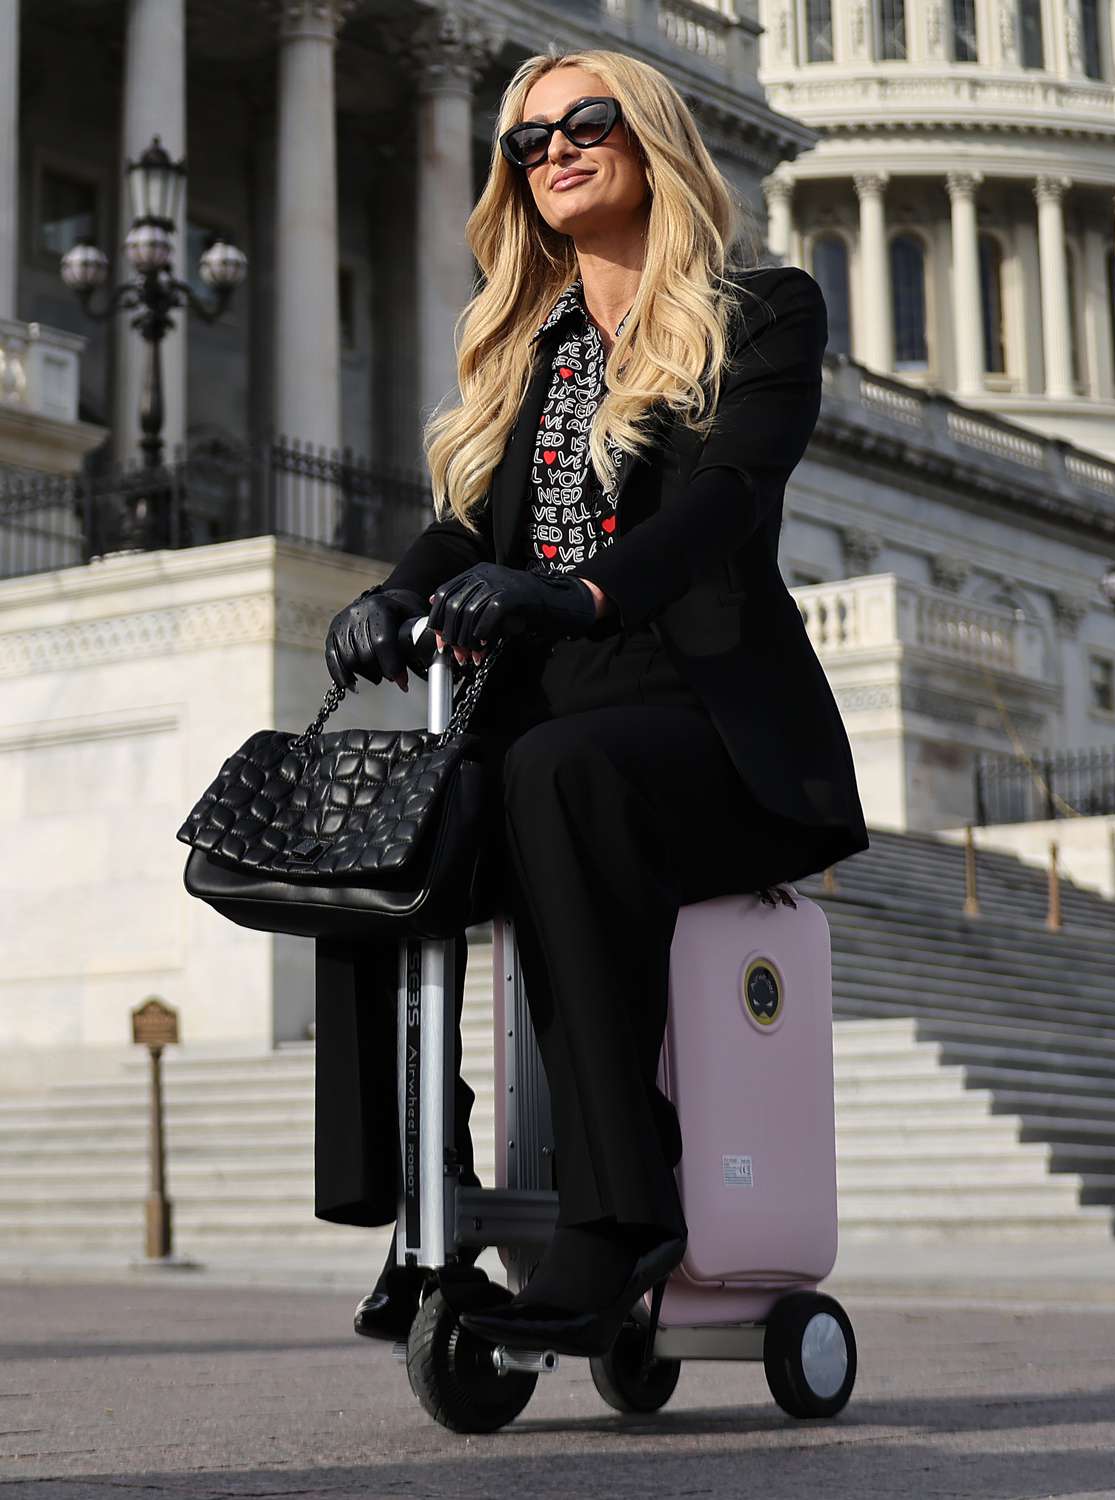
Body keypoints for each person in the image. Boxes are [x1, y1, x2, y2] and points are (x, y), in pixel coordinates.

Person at [322, 46, 868, 1359]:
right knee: (378, 826)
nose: (555, 151)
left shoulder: (763, 311)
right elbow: (463, 528)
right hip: (548, 729)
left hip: (706, 732)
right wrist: (388, 597)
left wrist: (577, 595)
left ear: (651, 138)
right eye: (527, 141)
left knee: (553, 773)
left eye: (585, 122)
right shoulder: (528, 343)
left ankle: (622, 1213)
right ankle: (419, 1213)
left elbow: (727, 504)